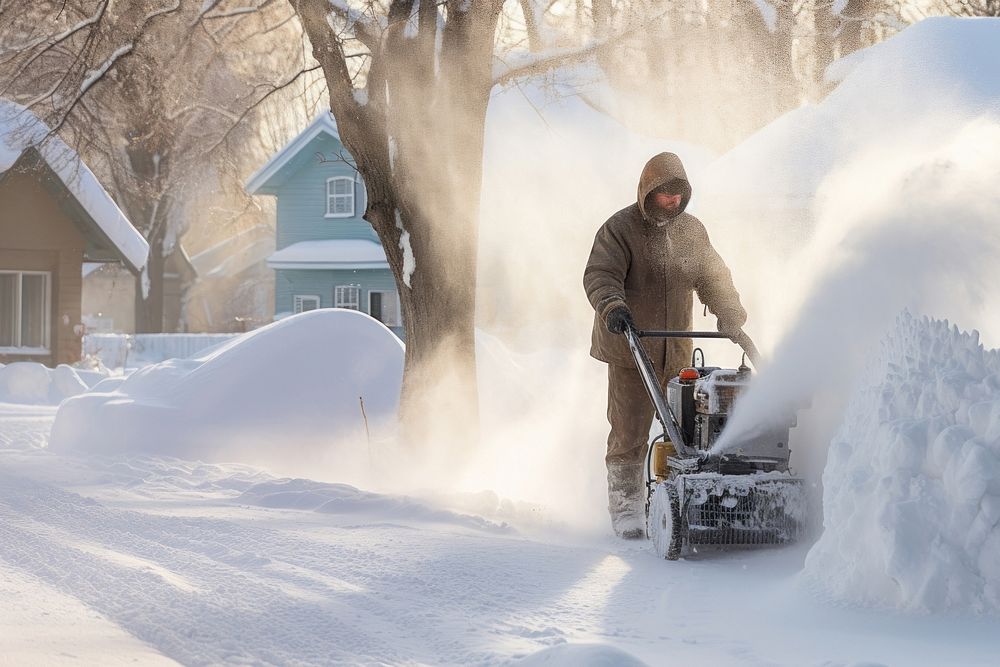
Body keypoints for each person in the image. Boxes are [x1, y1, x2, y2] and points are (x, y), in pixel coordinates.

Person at [583, 152, 751, 539]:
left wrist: (729, 311)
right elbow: (600, 274)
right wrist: (613, 307)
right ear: (648, 192)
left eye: (679, 197)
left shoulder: (691, 231)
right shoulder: (619, 229)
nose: (672, 203)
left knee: (689, 432)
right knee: (629, 431)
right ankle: (625, 507)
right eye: (664, 196)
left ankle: (682, 498)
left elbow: (713, 275)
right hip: (629, 349)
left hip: (675, 351)